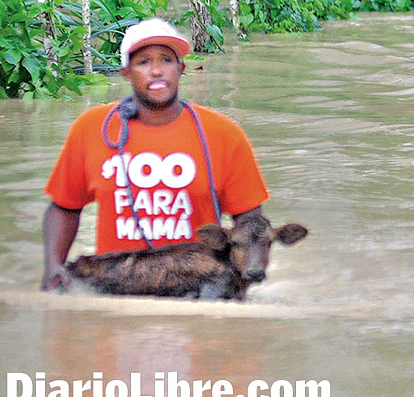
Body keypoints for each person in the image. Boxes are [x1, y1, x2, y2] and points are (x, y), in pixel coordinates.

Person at [41, 17, 271, 291]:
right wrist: (53, 267)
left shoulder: (224, 134)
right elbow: (65, 207)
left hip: (195, 288)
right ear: (126, 73)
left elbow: (250, 224)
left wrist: (245, 281)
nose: (156, 71)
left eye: (166, 60)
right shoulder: (92, 129)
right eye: (143, 62)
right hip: (113, 286)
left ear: (181, 69)